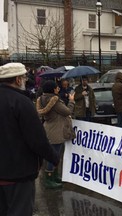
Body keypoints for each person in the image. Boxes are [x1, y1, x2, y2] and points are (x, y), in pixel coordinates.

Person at [0, 63, 59, 215]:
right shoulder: (21, 102)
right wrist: (54, 157)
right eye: (25, 77)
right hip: (18, 173)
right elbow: (37, 139)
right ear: (18, 79)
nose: (26, 80)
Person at [36, 80, 75, 189]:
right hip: (56, 130)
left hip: (49, 128)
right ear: (53, 89)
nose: (58, 89)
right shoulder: (54, 101)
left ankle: (54, 176)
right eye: (56, 87)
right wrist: (71, 101)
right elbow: (67, 111)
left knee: (54, 154)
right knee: (54, 155)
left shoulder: (42, 99)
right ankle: (49, 179)